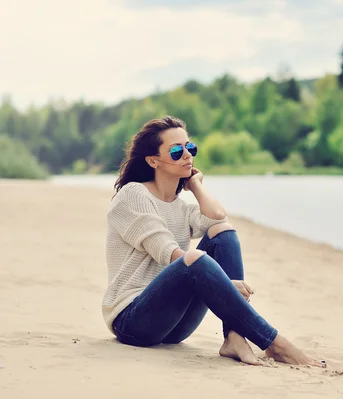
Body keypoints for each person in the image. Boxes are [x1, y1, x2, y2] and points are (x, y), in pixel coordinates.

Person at [102, 115, 326, 368]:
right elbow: (165, 250)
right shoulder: (133, 195)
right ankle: (274, 343)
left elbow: (218, 218)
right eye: (177, 151)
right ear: (153, 160)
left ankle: (234, 337)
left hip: (174, 329)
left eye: (190, 147)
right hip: (133, 322)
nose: (187, 155)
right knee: (195, 260)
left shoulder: (180, 207)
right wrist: (222, 284)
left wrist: (195, 186)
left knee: (223, 232)